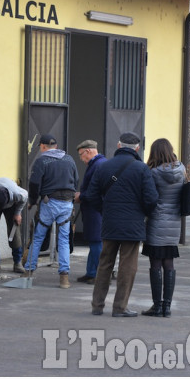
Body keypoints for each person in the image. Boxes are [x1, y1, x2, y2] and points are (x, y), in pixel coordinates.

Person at [83, 132, 158, 317]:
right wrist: (142, 213)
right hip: (133, 225)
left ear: (118, 146)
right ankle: (120, 307)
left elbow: (91, 195)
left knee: (105, 264)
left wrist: (104, 210)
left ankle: (97, 305)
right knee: (127, 266)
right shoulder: (142, 169)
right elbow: (151, 199)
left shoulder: (104, 167)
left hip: (109, 223)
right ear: (137, 148)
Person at [24, 134, 79, 289]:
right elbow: (76, 180)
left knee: (39, 236)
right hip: (67, 203)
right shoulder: (69, 159)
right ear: (56, 146)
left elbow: (34, 184)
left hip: (49, 202)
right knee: (63, 240)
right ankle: (64, 278)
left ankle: (29, 271)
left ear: (42, 146)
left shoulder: (41, 161)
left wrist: (33, 201)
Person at [141, 138, 185, 318]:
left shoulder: (153, 173)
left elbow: (149, 198)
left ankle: (157, 305)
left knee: (155, 263)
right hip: (174, 221)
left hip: (157, 220)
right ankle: (167, 306)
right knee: (169, 262)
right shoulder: (181, 170)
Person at [74, 139, 107, 285]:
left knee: (96, 242)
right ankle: (91, 272)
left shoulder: (98, 165)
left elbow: (95, 191)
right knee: (94, 242)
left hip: (95, 210)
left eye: (81, 155)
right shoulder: (98, 164)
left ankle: (98, 274)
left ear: (88, 151)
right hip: (93, 209)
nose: (81, 159)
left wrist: (81, 196)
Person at [0, 177, 28, 275]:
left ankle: (17, 262)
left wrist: (17, 213)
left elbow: (25, 197)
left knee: (14, 231)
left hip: (11, 203)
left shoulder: (17, 194)